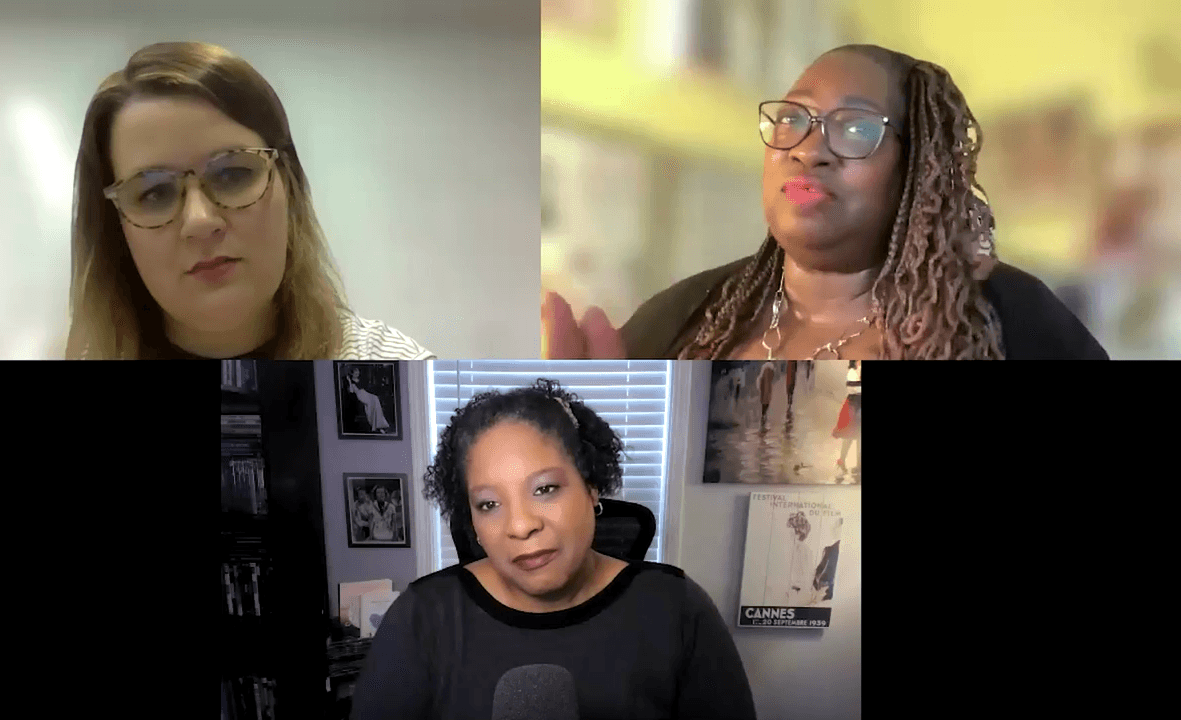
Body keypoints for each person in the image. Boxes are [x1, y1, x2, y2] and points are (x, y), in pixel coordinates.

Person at [541, 44, 1109, 360]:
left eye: (855, 128)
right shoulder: (679, 323)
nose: (810, 150)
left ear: (916, 169)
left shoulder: (1012, 320)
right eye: (792, 119)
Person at [350, 380, 758, 719]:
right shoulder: (421, 618)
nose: (521, 525)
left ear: (591, 486)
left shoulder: (677, 609)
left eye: (545, 489)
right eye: (488, 504)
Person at [65, 41, 433, 360]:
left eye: (233, 174)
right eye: (154, 193)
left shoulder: (397, 369)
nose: (200, 221)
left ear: (289, 186)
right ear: (117, 228)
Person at [832, 362, 862, 479]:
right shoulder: (854, 371)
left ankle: (845, 462)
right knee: (854, 436)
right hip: (855, 405)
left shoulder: (852, 371)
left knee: (850, 436)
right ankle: (854, 464)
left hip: (853, 404)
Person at [345, 368, 391, 433]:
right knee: (372, 403)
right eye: (355, 373)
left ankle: (379, 425)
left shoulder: (359, 379)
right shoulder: (351, 381)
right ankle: (375, 425)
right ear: (352, 374)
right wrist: (349, 381)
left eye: (358, 373)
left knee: (376, 399)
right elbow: (351, 391)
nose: (357, 374)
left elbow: (365, 388)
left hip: (365, 393)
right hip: (361, 395)